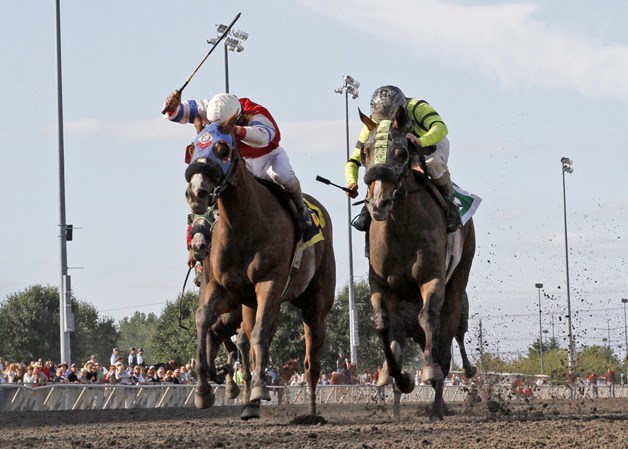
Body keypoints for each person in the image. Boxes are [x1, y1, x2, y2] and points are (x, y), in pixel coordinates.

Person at [162, 91, 313, 240]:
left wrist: (234, 129)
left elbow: (263, 137)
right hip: (241, 161)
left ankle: (301, 210)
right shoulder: (211, 108)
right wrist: (172, 106)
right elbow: (178, 112)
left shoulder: (255, 112)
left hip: (268, 157)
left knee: (282, 174)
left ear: (237, 115)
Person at [345, 85, 462, 233]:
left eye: (391, 121)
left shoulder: (417, 107)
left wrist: (421, 141)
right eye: (383, 122)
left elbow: (440, 128)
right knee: (378, 164)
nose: (387, 126)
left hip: (430, 143)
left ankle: (451, 205)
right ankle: (367, 209)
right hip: (397, 150)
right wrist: (351, 181)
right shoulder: (373, 123)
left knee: (434, 163)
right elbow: (354, 160)